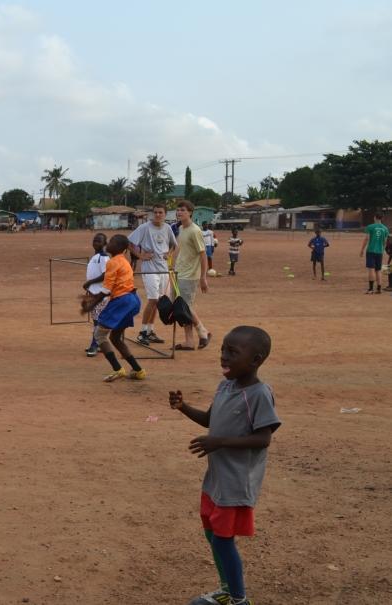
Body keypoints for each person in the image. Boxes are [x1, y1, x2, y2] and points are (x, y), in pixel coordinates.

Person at [169, 326, 280, 605]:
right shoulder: (226, 386)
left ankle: (239, 599)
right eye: (223, 350)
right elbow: (210, 420)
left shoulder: (259, 394)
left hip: (235, 481)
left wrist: (219, 442)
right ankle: (226, 589)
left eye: (232, 352)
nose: (224, 357)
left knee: (222, 539)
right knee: (211, 532)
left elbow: (263, 438)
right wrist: (184, 408)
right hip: (216, 478)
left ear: (255, 360)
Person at [81, 234, 145, 382]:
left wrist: (92, 304)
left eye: (112, 242)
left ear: (120, 247)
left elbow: (106, 290)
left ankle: (118, 369)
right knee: (115, 338)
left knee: (99, 335)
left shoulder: (113, 262)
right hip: (133, 300)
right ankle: (138, 370)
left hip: (122, 301)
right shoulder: (123, 261)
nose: (109, 243)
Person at [127, 203, 177, 346]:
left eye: (160, 212)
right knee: (153, 299)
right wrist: (140, 255)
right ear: (152, 214)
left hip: (164, 269)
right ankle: (142, 333)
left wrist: (169, 254)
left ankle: (150, 331)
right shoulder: (144, 228)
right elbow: (129, 243)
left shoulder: (167, 228)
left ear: (165, 214)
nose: (157, 215)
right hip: (149, 269)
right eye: (155, 212)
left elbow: (174, 244)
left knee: (159, 301)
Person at [174, 200, 211, 350]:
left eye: (182, 210)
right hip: (180, 272)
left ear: (190, 212)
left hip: (190, 275)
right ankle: (189, 341)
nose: (179, 212)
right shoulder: (182, 229)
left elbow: (203, 255)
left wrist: (203, 277)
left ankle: (203, 332)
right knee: (181, 308)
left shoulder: (195, 231)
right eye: (178, 210)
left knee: (185, 307)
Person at [81, 233, 110, 357]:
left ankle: (95, 345)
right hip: (94, 292)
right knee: (96, 320)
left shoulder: (103, 258)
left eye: (99, 241)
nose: (95, 243)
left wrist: (90, 282)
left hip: (100, 294)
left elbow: (105, 275)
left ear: (105, 244)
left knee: (97, 321)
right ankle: (98, 343)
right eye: (94, 240)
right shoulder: (96, 257)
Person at [360, 213, 389, 294]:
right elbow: (385, 242)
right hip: (379, 252)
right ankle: (379, 288)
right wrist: (382, 249)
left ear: (375, 217)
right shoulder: (385, 228)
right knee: (378, 270)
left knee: (371, 269)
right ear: (382, 218)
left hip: (371, 251)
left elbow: (366, 239)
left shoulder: (370, 227)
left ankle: (371, 289)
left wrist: (362, 250)